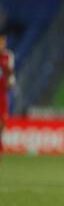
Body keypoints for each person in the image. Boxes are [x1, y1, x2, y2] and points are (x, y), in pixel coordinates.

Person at [0, 29, 15, 158]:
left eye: (4, 41)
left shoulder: (8, 56)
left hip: (2, 95)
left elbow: (11, 79)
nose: (2, 43)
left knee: (2, 124)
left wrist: (10, 82)